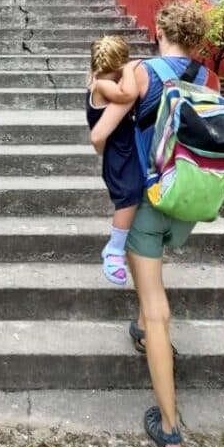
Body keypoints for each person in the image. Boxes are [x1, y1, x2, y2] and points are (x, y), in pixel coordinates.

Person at [90, 2, 219, 447]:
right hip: (189, 202)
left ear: (160, 29)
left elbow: (103, 129)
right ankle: (143, 329)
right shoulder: (209, 79)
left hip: (148, 201)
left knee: (156, 302)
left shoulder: (142, 71)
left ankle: (168, 426)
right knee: (155, 280)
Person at [86, 36, 141, 286]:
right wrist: (130, 70)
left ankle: (120, 247)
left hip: (123, 148)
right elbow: (127, 92)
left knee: (133, 196)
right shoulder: (102, 84)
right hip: (118, 152)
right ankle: (114, 250)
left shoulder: (98, 80)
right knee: (128, 198)